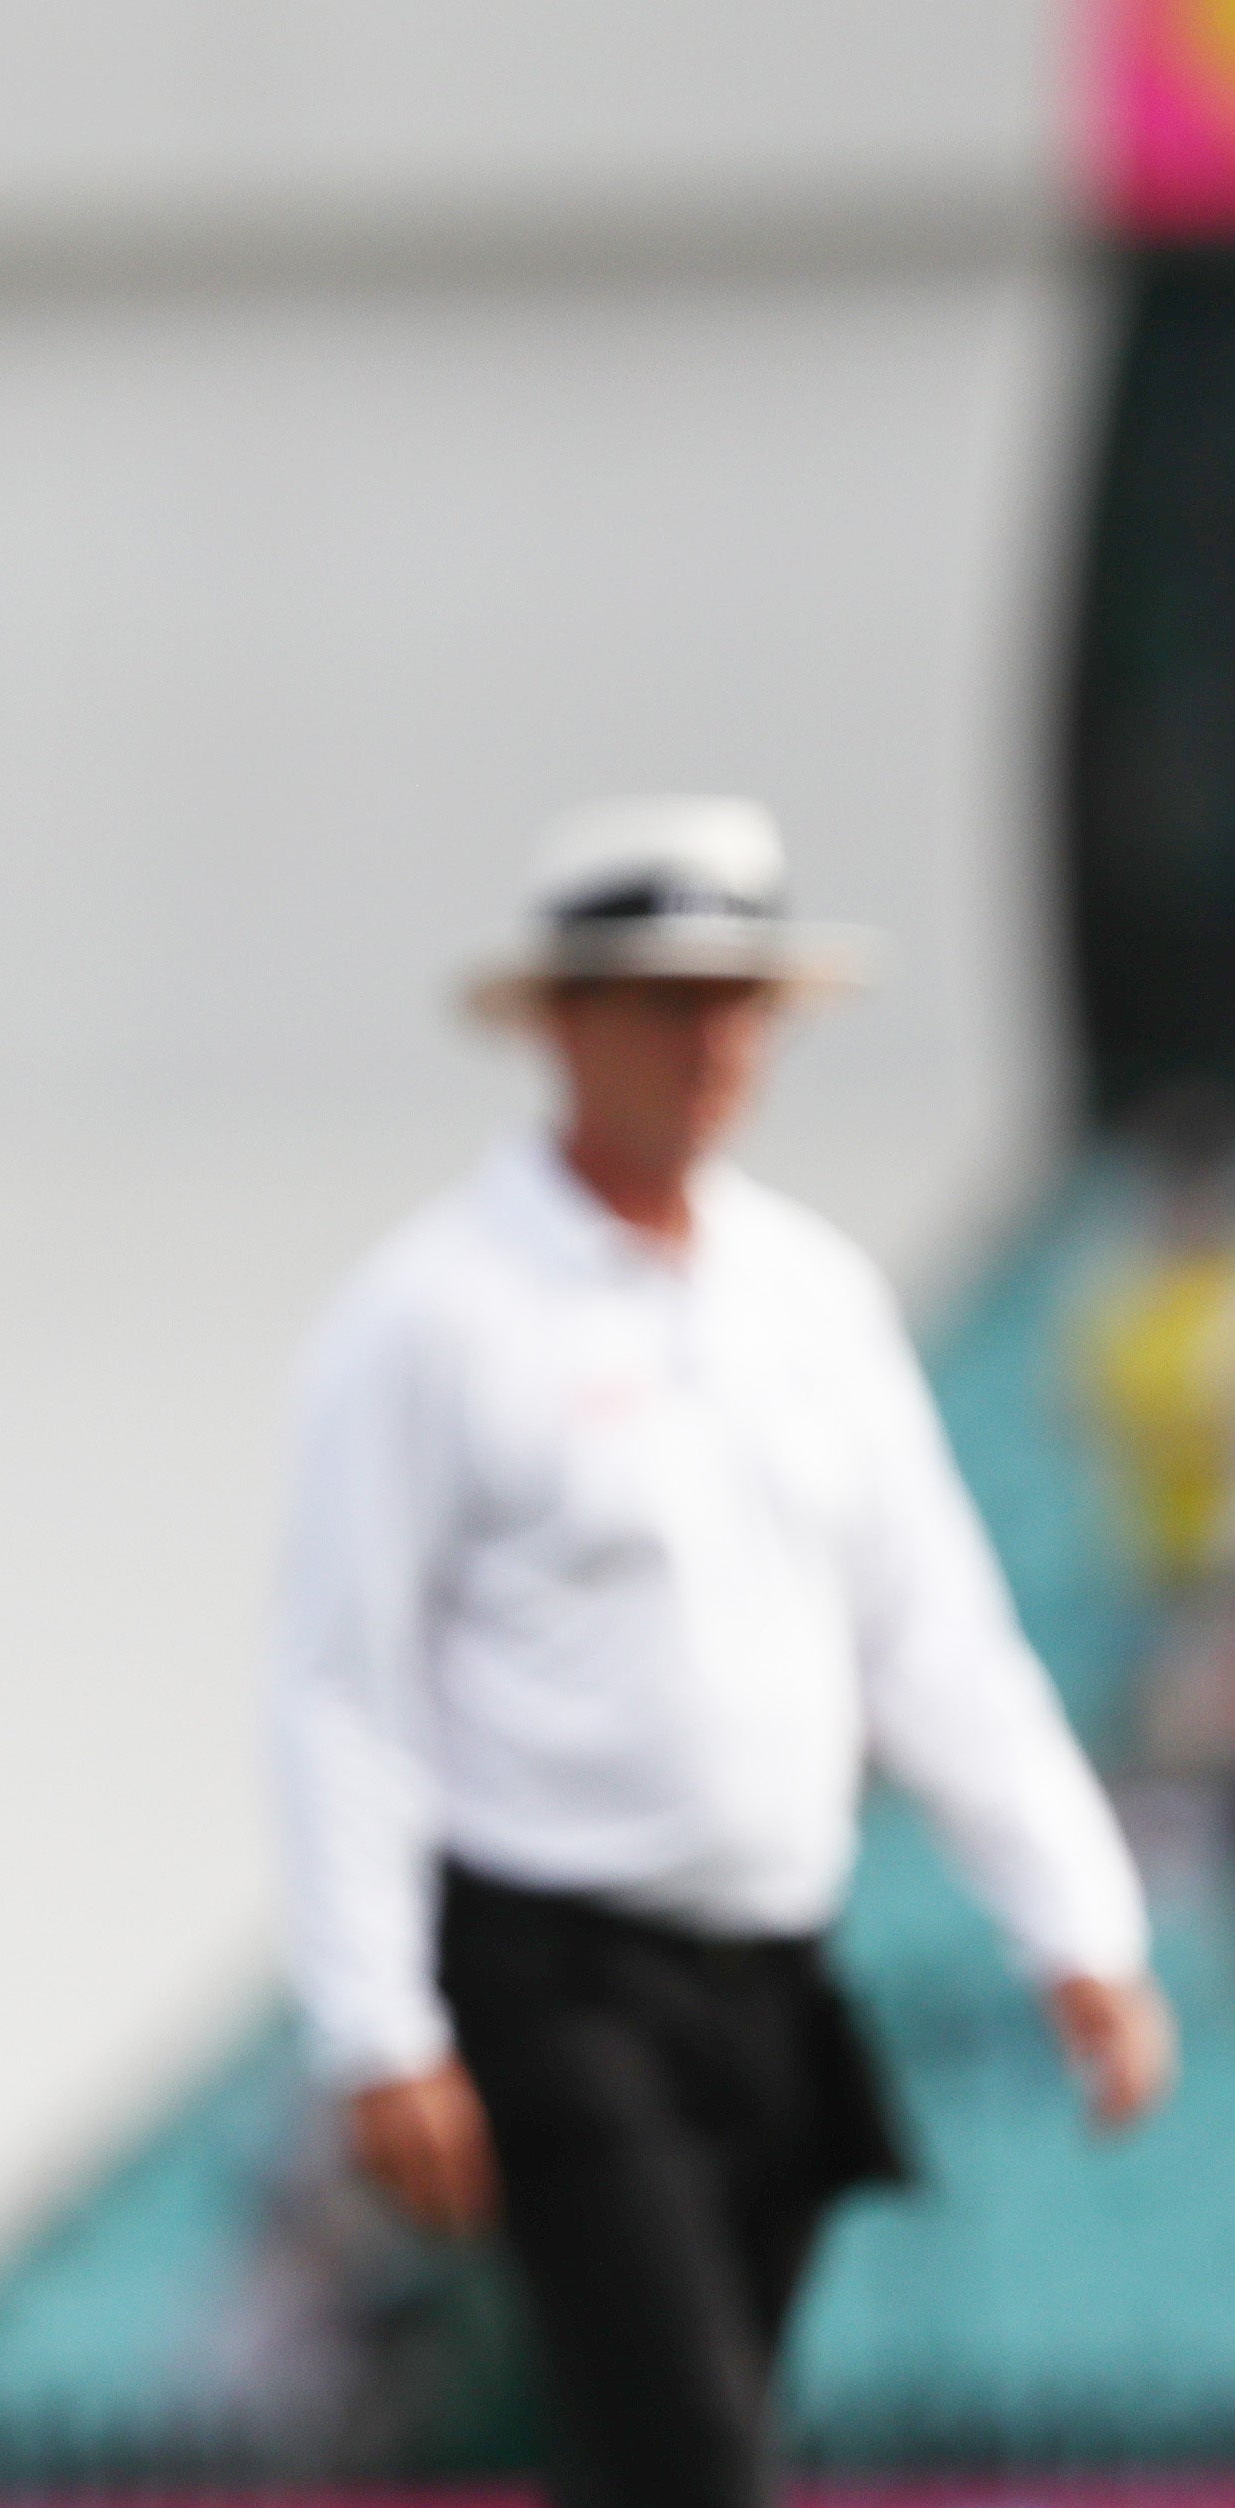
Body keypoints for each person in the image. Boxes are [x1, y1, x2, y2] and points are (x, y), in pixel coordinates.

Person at [272, 794, 1178, 2508]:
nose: (712, 1042)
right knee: (692, 2455)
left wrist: (1077, 1921)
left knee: (679, 2436)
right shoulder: (436, 1315)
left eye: (739, 1000)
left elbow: (935, 1636)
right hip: (554, 1970)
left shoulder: (814, 1299)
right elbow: (344, 1682)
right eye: (668, 999)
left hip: (771, 1967)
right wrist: (379, 2027)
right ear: (562, 1023)